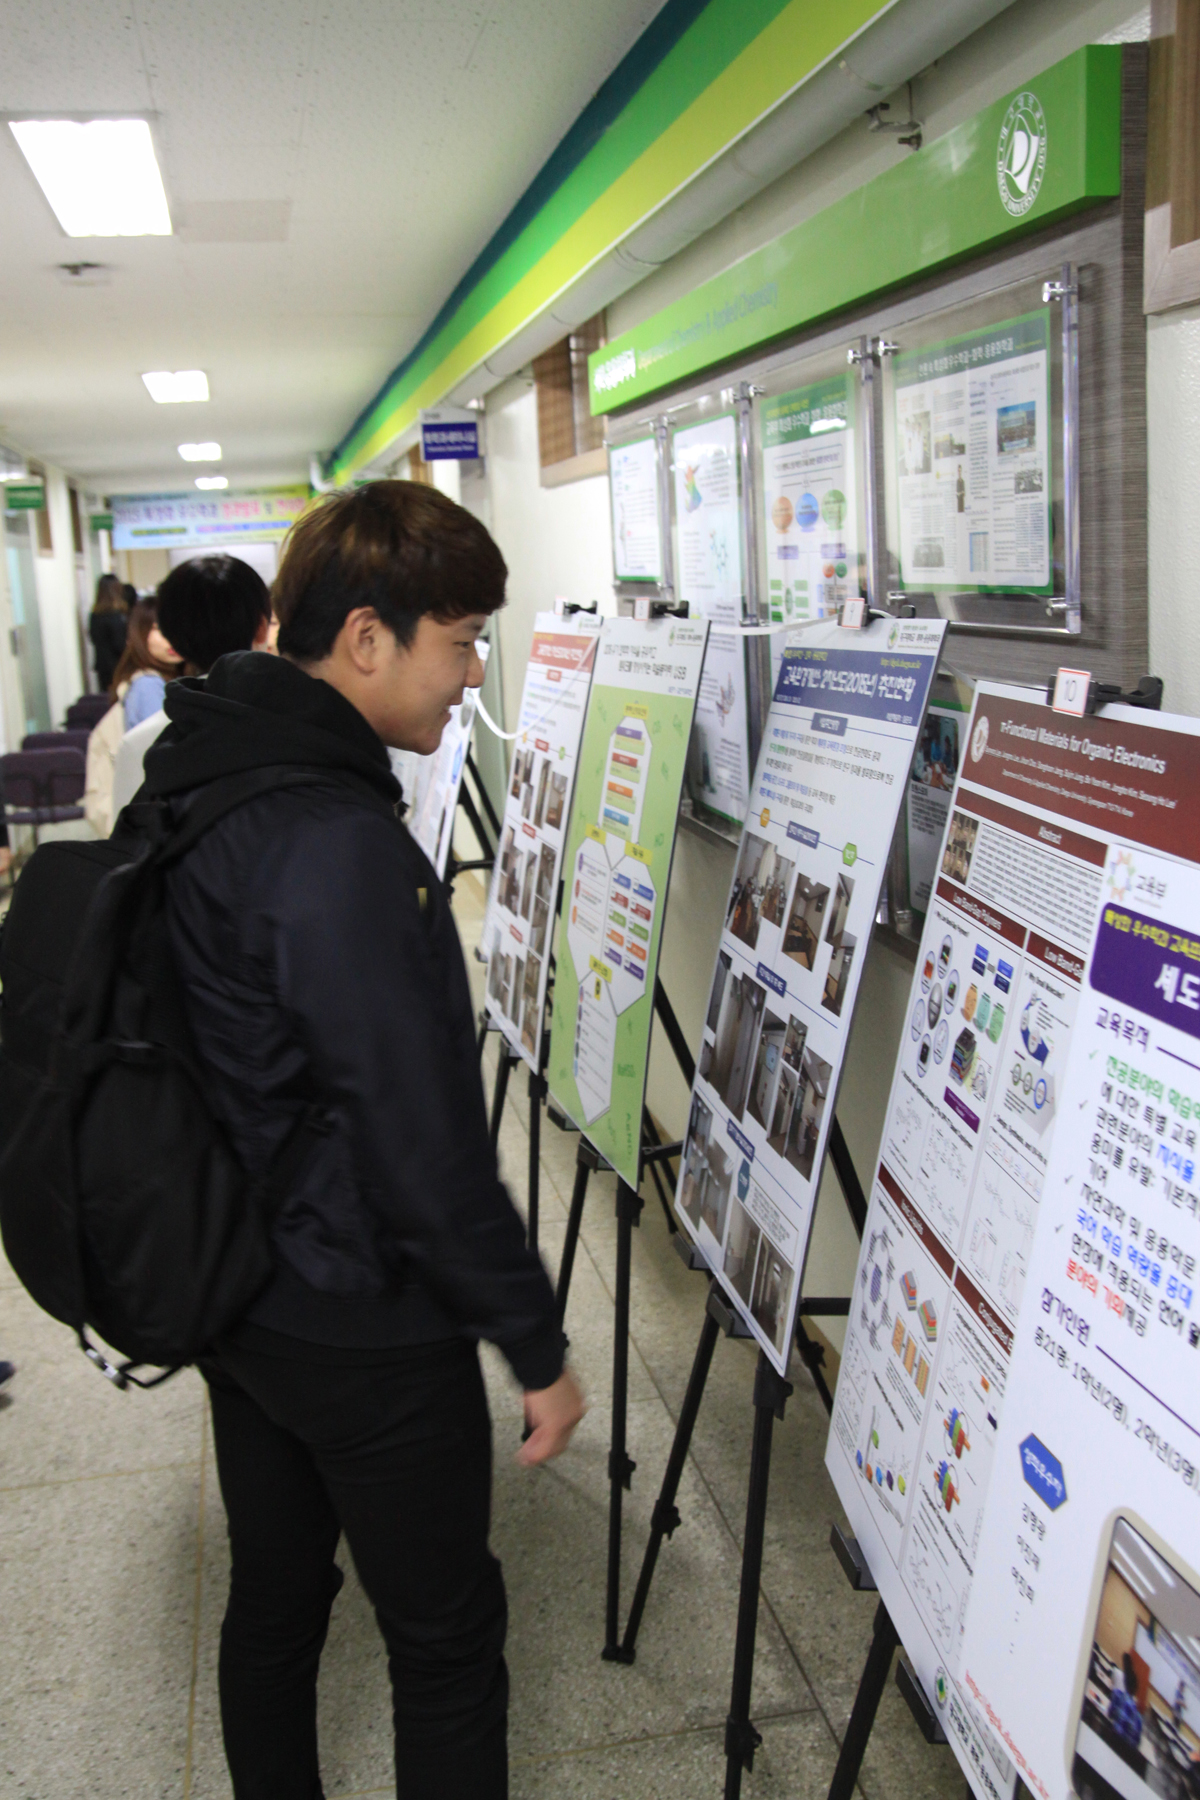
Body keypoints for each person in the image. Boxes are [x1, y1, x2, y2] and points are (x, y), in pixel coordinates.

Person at [139, 480, 584, 1800]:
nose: (476, 673)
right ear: (368, 639)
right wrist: (536, 1345)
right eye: (464, 640)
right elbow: (420, 1144)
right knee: (445, 1646)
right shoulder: (331, 844)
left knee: (275, 1603)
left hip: (237, 1287)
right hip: (358, 1314)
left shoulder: (208, 771)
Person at [110, 554, 272, 819]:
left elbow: (124, 840)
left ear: (173, 638)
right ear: (262, 627)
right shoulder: (302, 729)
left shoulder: (139, 745)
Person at [111, 597, 183, 730]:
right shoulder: (148, 685)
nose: (173, 637)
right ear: (140, 634)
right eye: (161, 629)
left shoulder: (159, 679)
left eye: (180, 629)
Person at [87, 573, 129, 691]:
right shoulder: (116, 616)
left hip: (102, 665)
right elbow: (119, 644)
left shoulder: (95, 615)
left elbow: (93, 637)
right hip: (118, 666)